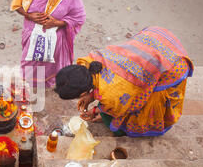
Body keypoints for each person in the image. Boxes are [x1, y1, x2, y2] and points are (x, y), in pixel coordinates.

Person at [54, 26, 194, 137]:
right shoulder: (89, 61)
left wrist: (99, 111)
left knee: (138, 111)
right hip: (156, 38)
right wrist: (90, 96)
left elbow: (122, 107)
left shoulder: (112, 95)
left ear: (83, 91)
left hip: (171, 66)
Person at [11, 0, 86, 88]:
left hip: (55, 41)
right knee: (29, 64)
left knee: (50, 67)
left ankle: (48, 85)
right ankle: (31, 85)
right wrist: (29, 15)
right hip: (32, 37)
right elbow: (17, 5)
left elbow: (79, 18)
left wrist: (57, 22)